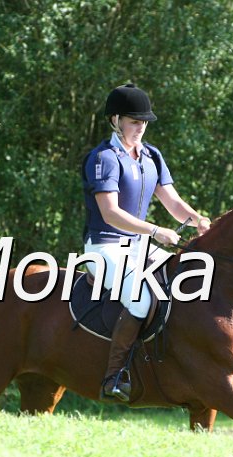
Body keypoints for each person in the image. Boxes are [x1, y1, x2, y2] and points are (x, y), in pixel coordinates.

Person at [82, 83, 211, 402]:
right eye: (133, 121)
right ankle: (113, 377)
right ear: (115, 120)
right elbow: (110, 213)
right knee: (140, 298)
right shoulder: (104, 158)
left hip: (139, 248)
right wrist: (156, 232)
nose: (140, 127)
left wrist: (200, 221)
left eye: (144, 122)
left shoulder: (152, 156)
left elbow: (173, 202)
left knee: (182, 283)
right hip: (106, 247)